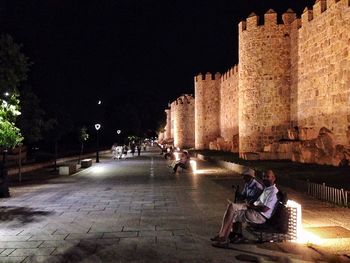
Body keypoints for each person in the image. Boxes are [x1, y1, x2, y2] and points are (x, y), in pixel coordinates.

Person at [211, 170, 278, 247]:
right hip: (254, 210)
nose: (264, 178)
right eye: (263, 176)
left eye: (267, 177)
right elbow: (248, 198)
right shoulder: (267, 189)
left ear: (273, 178)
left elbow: (265, 209)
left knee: (233, 211)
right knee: (231, 207)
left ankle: (223, 237)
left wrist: (250, 206)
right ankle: (223, 237)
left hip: (259, 216)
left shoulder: (273, 192)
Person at [229, 169, 264, 241]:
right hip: (248, 205)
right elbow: (243, 197)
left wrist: (244, 204)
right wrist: (237, 192)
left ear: (250, 177)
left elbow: (254, 202)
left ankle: (237, 234)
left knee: (236, 212)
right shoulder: (247, 184)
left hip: (254, 208)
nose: (243, 178)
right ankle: (235, 233)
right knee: (233, 209)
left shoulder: (257, 187)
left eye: (245, 176)